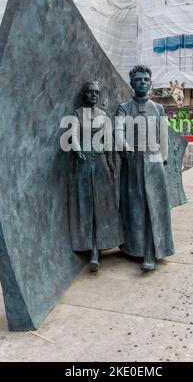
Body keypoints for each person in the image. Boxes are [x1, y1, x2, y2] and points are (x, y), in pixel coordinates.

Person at [116, 65, 174, 271]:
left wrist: (163, 158)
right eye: (138, 80)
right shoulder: (123, 108)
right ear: (131, 84)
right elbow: (119, 129)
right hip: (132, 163)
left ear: (150, 83)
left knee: (154, 206)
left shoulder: (158, 108)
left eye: (145, 80)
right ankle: (134, 247)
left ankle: (151, 251)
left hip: (154, 161)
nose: (142, 83)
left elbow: (164, 137)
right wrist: (124, 144)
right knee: (134, 207)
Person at [67, 81, 123, 272]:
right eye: (90, 92)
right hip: (82, 165)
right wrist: (76, 149)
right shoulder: (76, 114)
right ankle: (90, 248)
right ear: (84, 94)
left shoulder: (103, 116)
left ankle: (99, 249)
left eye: (96, 93)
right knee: (86, 207)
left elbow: (108, 142)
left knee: (102, 208)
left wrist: (111, 164)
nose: (93, 95)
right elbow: (73, 134)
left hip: (100, 166)